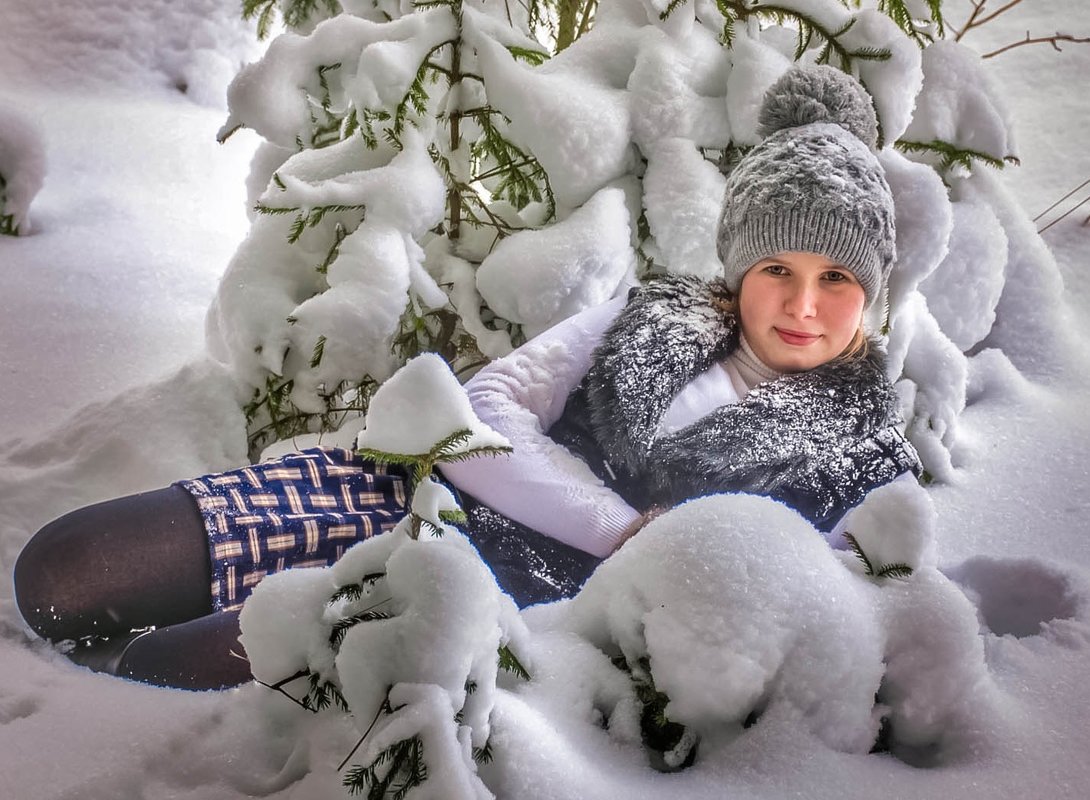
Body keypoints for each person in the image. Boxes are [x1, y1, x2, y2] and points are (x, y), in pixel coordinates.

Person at [12, 65, 920, 690]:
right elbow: (483, 414)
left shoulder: (865, 462)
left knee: (156, 673)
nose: (802, 303)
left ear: (872, 293)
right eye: (777, 270)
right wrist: (620, 526)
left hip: (491, 595)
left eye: (836, 278)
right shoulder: (655, 315)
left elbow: (793, 627)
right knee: (61, 572)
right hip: (402, 488)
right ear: (739, 268)